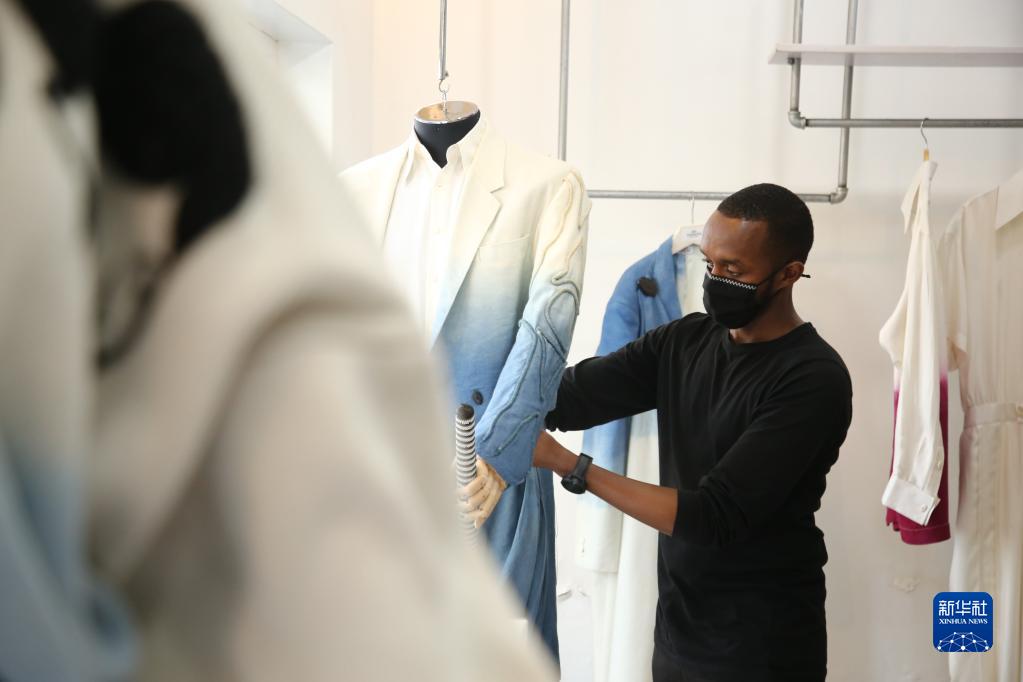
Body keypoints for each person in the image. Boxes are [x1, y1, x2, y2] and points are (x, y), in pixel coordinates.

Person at [535, 184, 853, 682]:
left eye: (733, 270)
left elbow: (714, 516)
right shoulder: (685, 341)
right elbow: (571, 397)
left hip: (763, 647)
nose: (714, 279)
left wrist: (571, 466)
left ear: (789, 273)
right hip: (678, 633)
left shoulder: (812, 379)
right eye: (710, 263)